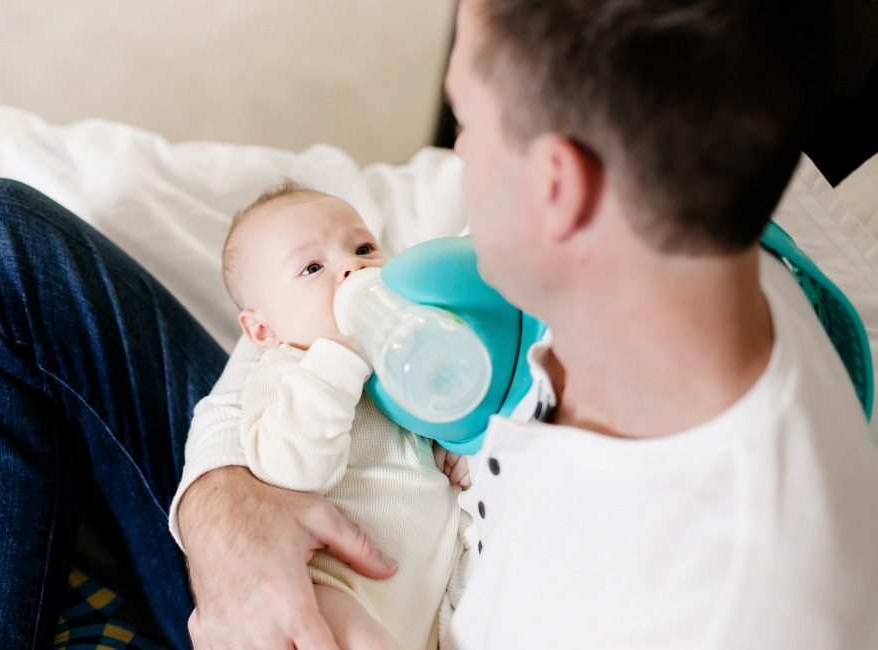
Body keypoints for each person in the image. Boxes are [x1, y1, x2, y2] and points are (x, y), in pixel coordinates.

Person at [176, 0, 878, 648]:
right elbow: (303, 313)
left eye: (468, 125)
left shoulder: (712, 605)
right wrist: (222, 496)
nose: (455, 161)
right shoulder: (664, 216)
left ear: (556, 187)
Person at [218, 180, 466, 649]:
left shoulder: (401, 353)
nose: (353, 267)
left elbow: (447, 412)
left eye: (364, 247)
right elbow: (293, 468)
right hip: (334, 587)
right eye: (312, 267)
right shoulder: (289, 373)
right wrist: (338, 361)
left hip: (423, 601)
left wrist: (455, 449)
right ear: (263, 329)